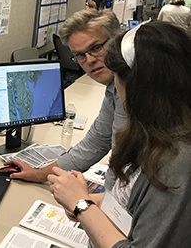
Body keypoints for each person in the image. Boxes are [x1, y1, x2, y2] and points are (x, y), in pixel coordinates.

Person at [48, 21, 191, 247]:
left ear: (135, 87)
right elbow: (136, 199)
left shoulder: (175, 163)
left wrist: (81, 205)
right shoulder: (158, 133)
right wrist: (95, 202)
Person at [4, 9, 127, 181]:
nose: (89, 60)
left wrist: (91, 203)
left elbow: (126, 163)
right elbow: (96, 143)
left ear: (119, 40)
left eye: (96, 48)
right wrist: (39, 174)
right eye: (80, 55)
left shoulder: (135, 88)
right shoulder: (114, 87)